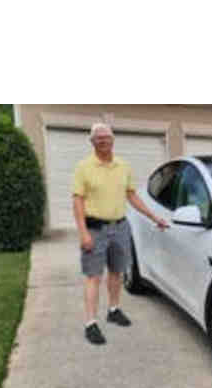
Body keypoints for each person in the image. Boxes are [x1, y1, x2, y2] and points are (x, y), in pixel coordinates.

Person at [72, 123, 169, 345]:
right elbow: (77, 201)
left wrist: (154, 217)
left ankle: (114, 310)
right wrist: (83, 232)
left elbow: (132, 196)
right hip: (95, 229)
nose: (103, 141)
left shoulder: (123, 166)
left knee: (116, 271)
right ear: (92, 142)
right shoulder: (83, 167)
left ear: (113, 140)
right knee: (93, 276)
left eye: (107, 137)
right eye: (98, 137)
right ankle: (91, 323)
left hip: (120, 227)